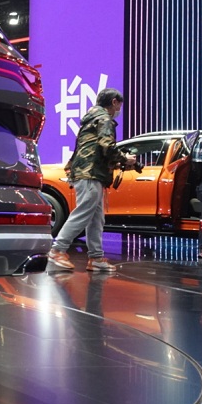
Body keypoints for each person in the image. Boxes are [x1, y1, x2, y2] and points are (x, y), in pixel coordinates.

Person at [48, 87, 135, 273]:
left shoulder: (90, 119)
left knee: (96, 219)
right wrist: (124, 159)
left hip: (89, 173)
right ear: (114, 102)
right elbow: (107, 146)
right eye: (119, 106)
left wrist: (117, 162)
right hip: (90, 174)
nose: (119, 110)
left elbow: (94, 150)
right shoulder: (104, 119)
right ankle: (57, 250)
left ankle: (96, 258)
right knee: (83, 213)